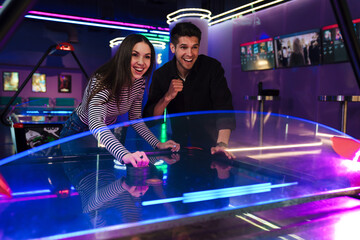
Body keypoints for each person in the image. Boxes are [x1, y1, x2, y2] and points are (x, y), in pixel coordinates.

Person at [59, 34, 180, 167]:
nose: (141, 62)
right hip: (79, 129)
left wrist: (158, 144)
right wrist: (124, 154)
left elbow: (135, 119)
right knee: (83, 180)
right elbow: (95, 122)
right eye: (135, 54)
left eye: (147, 56)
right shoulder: (103, 80)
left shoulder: (139, 82)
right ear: (124, 55)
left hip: (107, 130)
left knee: (106, 178)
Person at [143, 22, 235, 159]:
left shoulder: (212, 68)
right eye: (184, 47)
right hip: (177, 150)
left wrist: (222, 144)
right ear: (173, 48)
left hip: (211, 149)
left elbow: (224, 108)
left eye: (194, 47)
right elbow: (151, 118)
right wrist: (167, 97)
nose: (190, 54)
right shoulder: (161, 75)